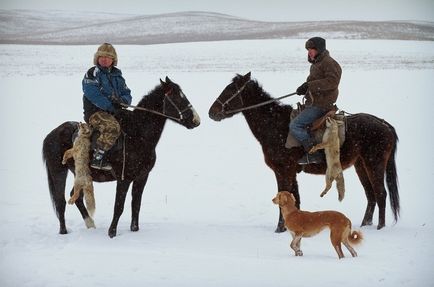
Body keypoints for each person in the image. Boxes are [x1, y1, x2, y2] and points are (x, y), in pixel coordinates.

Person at [289, 37, 342, 165]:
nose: (309, 52)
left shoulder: (329, 63)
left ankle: (313, 153)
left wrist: (310, 86)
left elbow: (332, 82)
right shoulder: (317, 64)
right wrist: (305, 87)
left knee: (295, 125)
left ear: (320, 49)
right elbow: (314, 82)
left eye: (312, 49)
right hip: (314, 102)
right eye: (308, 49)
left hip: (321, 105)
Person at [82, 43, 132, 170]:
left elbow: (127, 94)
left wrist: (122, 101)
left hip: (114, 111)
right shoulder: (92, 73)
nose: (104, 59)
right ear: (97, 59)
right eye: (102, 57)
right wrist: (111, 106)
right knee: (112, 127)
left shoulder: (118, 76)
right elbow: (93, 94)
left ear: (113, 60)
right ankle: (98, 157)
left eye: (108, 57)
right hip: (95, 112)